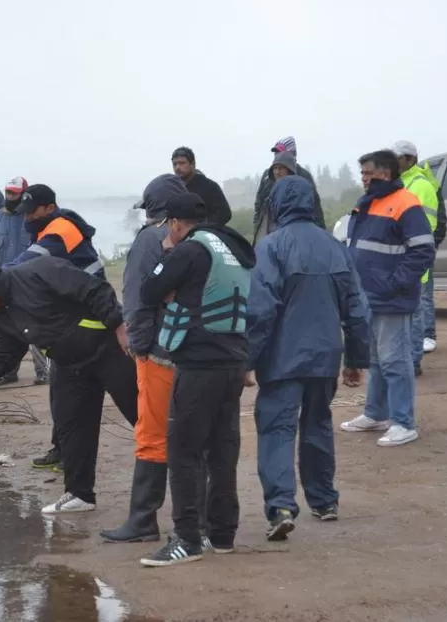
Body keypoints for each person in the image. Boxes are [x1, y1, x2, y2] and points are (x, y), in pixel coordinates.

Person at [0, 257, 138, 514]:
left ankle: (194, 469)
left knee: (144, 415)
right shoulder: (0, 317)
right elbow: (6, 354)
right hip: (68, 364)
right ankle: (80, 495)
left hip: (108, 349)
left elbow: (95, 289)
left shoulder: (40, 271)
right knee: (70, 427)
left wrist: (119, 327)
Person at [245, 176, 371, 542]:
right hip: (325, 357)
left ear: (277, 205)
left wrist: (247, 360)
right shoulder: (335, 247)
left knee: (277, 430)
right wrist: (356, 359)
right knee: (317, 424)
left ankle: (282, 506)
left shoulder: (271, 248)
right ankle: (324, 500)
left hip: (282, 360)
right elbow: (357, 308)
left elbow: (261, 309)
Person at [138, 192, 255, 567]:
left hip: (199, 362)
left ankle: (187, 538)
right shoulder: (230, 248)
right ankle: (222, 535)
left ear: (175, 223)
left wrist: (169, 256)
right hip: (232, 361)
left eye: (167, 227)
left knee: (184, 451)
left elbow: (147, 291)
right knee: (222, 450)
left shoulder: (189, 250)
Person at [101, 173, 186, 544]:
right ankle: (202, 522)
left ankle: (143, 520)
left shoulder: (149, 240)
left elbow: (136, 300)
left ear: (152, 209)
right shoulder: (200, 239)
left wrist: (138, 346)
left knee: (151, 435)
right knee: (195, 435)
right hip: (196, 355)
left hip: (158, 352)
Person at [339, 150, 435, 447]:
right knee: (377, 359)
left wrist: (396, 283)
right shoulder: (366, 204)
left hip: (391, 297)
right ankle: (375, 413)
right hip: (369, 295)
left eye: (369, 173)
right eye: (363, 173)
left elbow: (423, 250)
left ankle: (404, 422)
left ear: (386, 173)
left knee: (395, 360)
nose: (364, 178)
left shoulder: (406, 203)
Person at [8, 183, 105, 471]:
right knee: (61, 389)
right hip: (73, 318)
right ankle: (62, 447)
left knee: (73, 392)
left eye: (32, 211)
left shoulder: (61, 230)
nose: (26, 218)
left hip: (90, 318)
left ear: (50, 208)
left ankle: (70, 453)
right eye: (23, 213)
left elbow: (24, 266)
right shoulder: (46, 228)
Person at [0, 176, 50, 386]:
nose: (10, 197)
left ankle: (42, 370)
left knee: (34, 327)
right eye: (8, 192)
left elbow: (41, 248)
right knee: (7, 329)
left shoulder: (31, 220)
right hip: (2, 283)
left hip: (29, 282)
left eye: (15, 194)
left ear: (23, 195)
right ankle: (9, 371)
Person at [393, 141, 447, 359]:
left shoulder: (420, 184)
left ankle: (422, 345)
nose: (394, 162)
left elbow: (429, 222)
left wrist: (421, 249)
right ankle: (413, 349)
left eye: (398, 158)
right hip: (404, 253)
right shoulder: (402, 182)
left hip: (415, 253)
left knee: (420, 301)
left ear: (410, 159)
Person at [253, 136, 324, 243]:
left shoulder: (303, 177)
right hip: (269, 234)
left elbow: (316, 209)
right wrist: (257, 229)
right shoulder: (268, 176)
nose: (277, 156)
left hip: (296, 236)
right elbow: (259, 205)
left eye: (280, 152)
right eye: (276, 153)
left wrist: (321, 235)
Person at [171, 146, 232, 225]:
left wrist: (202, 228)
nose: (177, 167)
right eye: (174, 164)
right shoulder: (174, 189)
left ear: (192, 164)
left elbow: (224, 214)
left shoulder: (210, 186)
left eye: (182, 163)